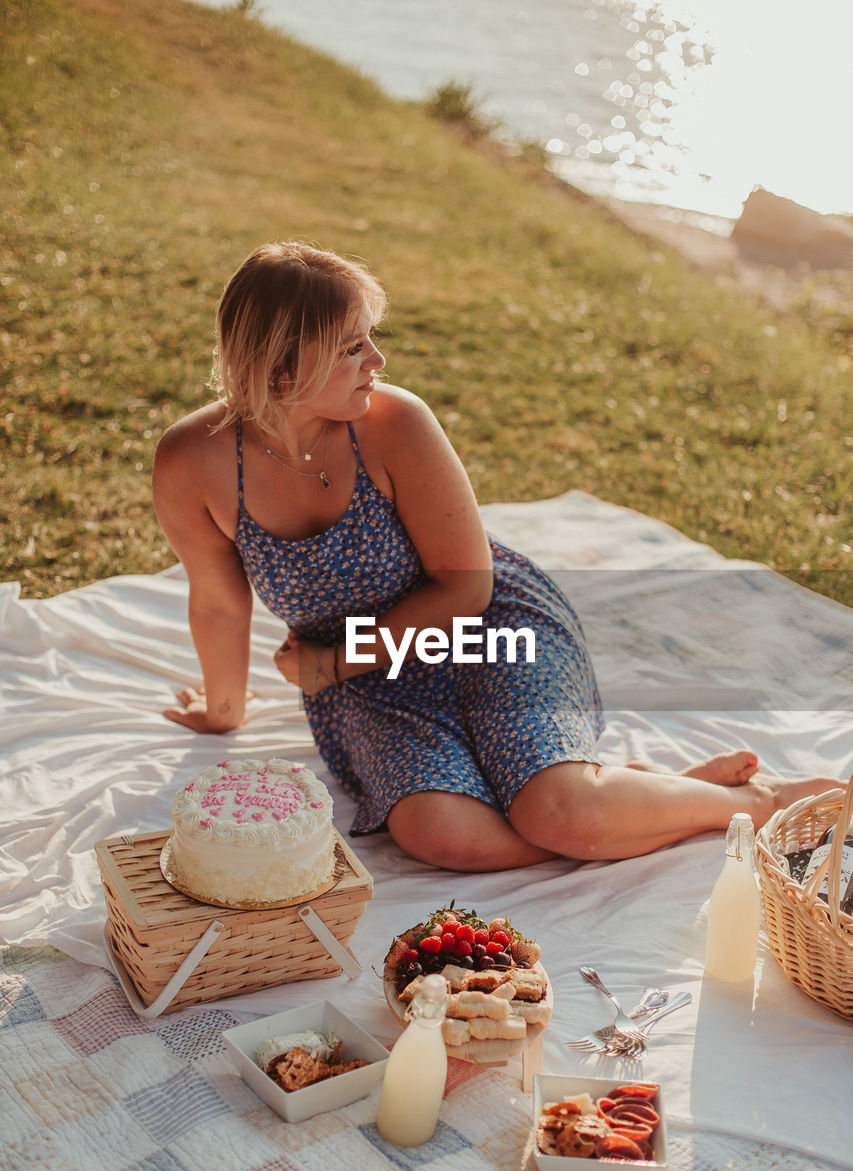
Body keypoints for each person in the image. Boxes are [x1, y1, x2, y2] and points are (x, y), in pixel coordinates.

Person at [153, 241, 840, 871]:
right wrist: (223, 709)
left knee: (556, 811)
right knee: (439, 834)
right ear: (279, 370)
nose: (378, 362)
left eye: (372, 339)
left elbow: (463, 588)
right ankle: (640, 801)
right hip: (375, 681)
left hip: (489, 634)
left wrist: (331, 663)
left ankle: (755, 801)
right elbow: (217, 597)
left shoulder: (394, 423)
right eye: (351, 347)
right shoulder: (193, 461)